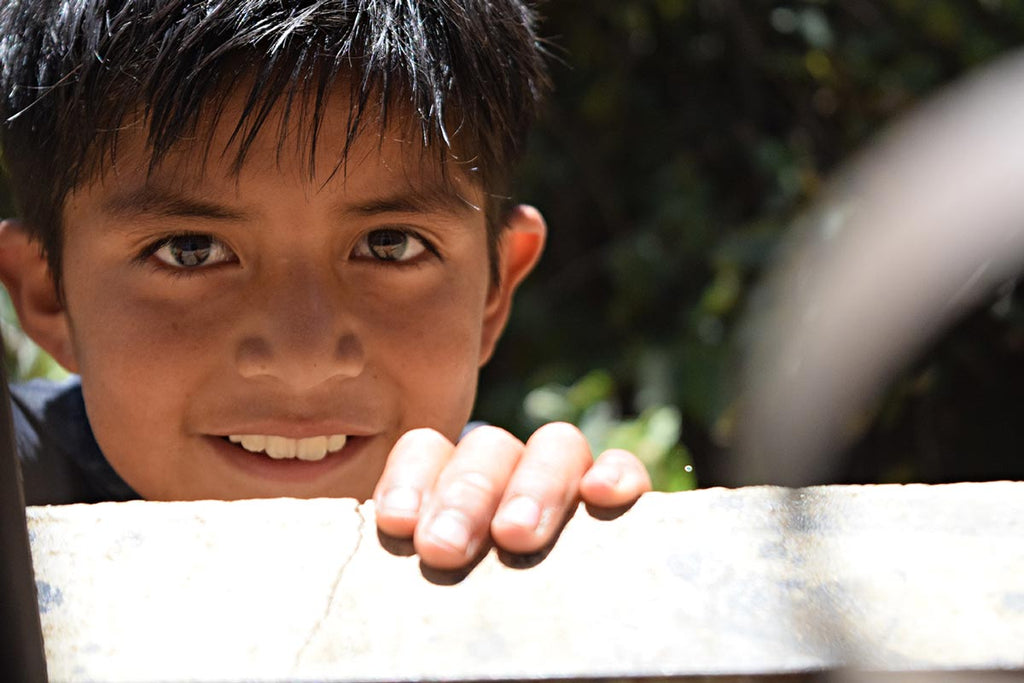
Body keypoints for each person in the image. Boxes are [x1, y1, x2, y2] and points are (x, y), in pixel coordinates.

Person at [0, 0, 651, 570]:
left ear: (494, 288)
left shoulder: (483, 506)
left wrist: (556, 574)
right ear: (46, 295)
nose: (304, 361)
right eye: (191, 250)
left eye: (388, 245)